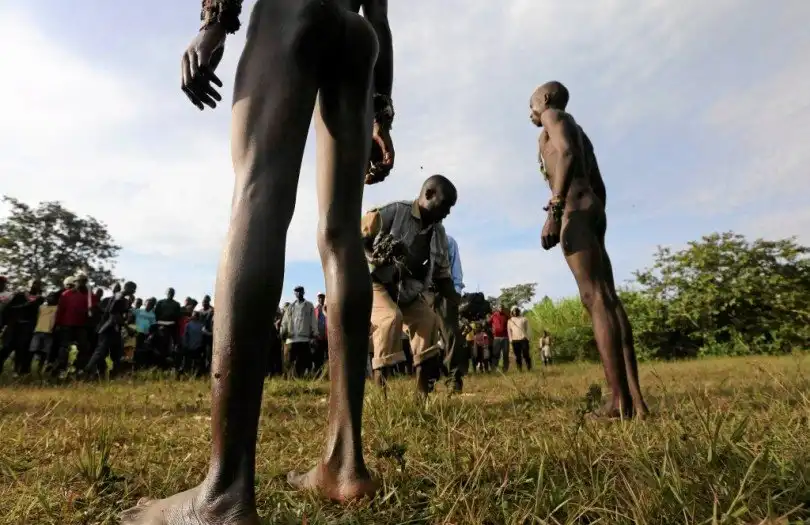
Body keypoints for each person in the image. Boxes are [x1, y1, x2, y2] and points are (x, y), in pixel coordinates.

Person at [121, 1, 395, 520]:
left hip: (293, 10)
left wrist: (214, 23)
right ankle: (345, 465)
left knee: (258, 198)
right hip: (359, 37)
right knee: (342, 235)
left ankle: (223, 492)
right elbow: (378, 19)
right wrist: (381, 114)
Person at [530, 80, 648, 419]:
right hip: (591, 209)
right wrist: (594, 212)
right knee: (608, 298)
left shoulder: (553, 116)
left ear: (546, 99)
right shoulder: (578, 129)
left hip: (574, 211)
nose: (531, 112)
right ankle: (635, 401)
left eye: (532, 104)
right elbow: (598, 183)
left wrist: (557, 210)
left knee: (593, 298)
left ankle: (618, 402)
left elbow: (566, 153)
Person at [363, 175, 457, 395]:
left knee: (428, 320)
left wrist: (456, 302)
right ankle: (381, 395)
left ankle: (422, 396)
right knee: (390, 318)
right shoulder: (395, 211)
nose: (447, 212)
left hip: (407, 290)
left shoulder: (439, 233)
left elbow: (443, 275)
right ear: (429, 194)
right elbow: (357, 236)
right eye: (445, 205)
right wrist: (376, 256)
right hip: (377, 284)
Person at [433, 231, 466, 392]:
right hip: (422, 292)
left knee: (450, 335)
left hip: (446, 292)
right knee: (426, 337)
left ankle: (454, 379)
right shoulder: (414, 236)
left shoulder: (448, 241)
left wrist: (456, 292)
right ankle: (428, 379)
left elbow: (456, 268)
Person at [83, 281, 138, 378]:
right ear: (127, 288)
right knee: (100, 353)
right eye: (133, 289)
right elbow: (114, 314)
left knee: (117, 354)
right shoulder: (119, 297)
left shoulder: (121, 298)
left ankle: (113, 375)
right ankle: (86, 373)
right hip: (108, 329)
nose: (134, 292)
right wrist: (127, 328)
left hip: (114, 329)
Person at [54, 273, 97, 374]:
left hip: (81, 325)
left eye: (84, 281)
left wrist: (91, 310)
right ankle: (61, 369)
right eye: (79, 281)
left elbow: (93, 309)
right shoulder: (66, 294)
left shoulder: (89, 296)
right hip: (66, 325)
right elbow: (60, 310)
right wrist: (57, 324)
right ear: (75, 282)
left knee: (84, 347)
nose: (81, 284)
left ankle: (78, 368)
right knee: (64, 347)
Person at [280, 286, 318, 377]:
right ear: (294, 293)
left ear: (303, 292)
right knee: (289, 362)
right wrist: (283, 332)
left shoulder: (309, 305)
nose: (298, 293)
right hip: (291, 339)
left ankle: (301, 380)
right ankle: (290, 381)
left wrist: (315, 334)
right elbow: (285, 321)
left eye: (300, 291)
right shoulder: (290, 307)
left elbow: (313, 321)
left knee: (302, 363)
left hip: (304, 339)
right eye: (296, 291)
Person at [29, 292, 59, 372]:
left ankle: (39, 369)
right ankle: (27, 368)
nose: (50, 298)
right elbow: (37, 317)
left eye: (52, 297)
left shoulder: (57, 308)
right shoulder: (41, 307)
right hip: (38, 331)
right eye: (49, 296)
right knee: (33, 349)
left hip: (49, 332)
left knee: (44, 352)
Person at [489, 304, 509, 371]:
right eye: (500, 307)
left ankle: (505, 369)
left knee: (505, 353)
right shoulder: (493, 315)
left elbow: (510, 323)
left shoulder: (506, 315)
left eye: (502, 307)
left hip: (505, 337)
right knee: (496, 354)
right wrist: (492, 330)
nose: (501, 308)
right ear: (497, 308)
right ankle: (494, 369)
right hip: (496, 338)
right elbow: (488, 323)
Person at [312, 292, 328, 376]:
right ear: (317, 299)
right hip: (318, 338)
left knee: (327, 358)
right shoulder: (315, 310)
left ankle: (327, 375)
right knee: (318, 358)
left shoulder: (329, 309)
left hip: (327, 338)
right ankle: (318, 375)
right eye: (319, 297)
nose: (321, 299)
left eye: (322, 297)